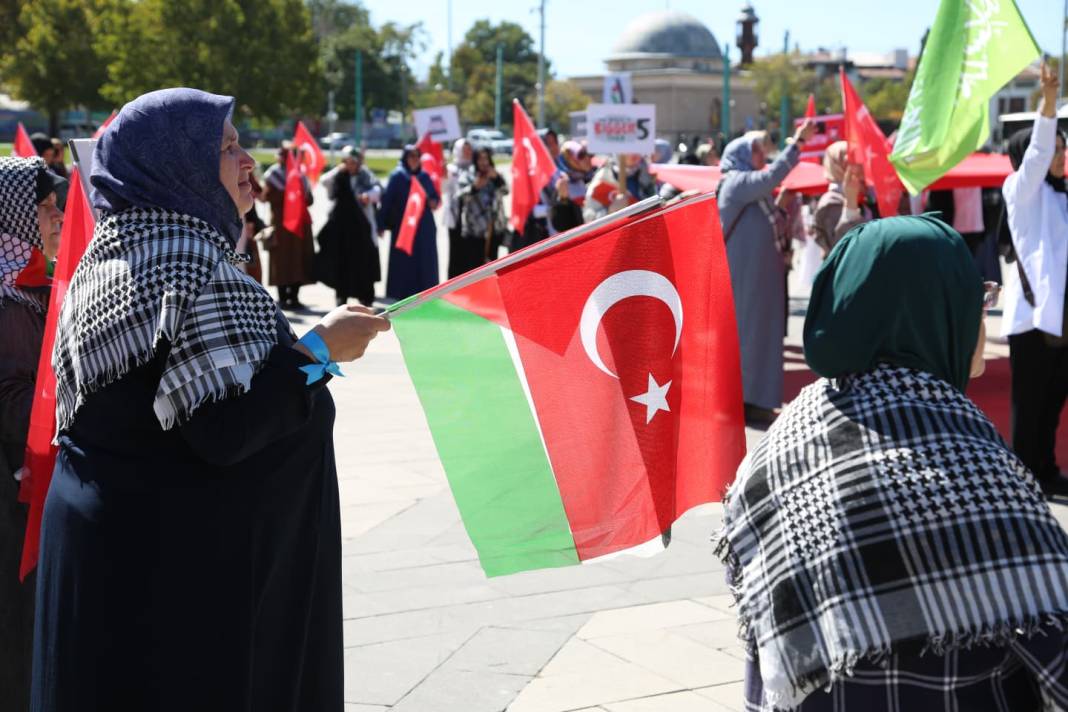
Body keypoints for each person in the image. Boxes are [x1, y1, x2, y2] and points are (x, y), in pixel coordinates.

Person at [31, 88, 391, 711]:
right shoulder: (192, 268)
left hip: (114, 564)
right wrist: (320, 353)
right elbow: (229, 428)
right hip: (180, 597)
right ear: (177, 169)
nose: (248, 159)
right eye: (225, 147)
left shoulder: (111, 253)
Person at [719, 214, 1068, 712]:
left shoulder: (781, 443)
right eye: (977, 298)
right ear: (932, 310)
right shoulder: (969, 463)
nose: (982, 313)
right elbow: (1055, 648)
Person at [0, 156, 64, 712]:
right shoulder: (9, 293)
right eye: (43, 207)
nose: (55, 215)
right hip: (13, 485)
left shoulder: (28, 278)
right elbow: (14, 395)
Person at [716, 121, 815, 424]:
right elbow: (772, 175)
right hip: (747, 281)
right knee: (749, 339)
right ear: (742, 155)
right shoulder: (736, 182)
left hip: (759, 281)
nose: (762, 155)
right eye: (756, 150)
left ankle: (758, 399)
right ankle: (745, 401)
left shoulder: (751, 189)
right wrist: (797, 143)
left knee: (762, 338)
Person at [1002, 61, 1068, 498]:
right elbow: (1038, 154)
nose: (1063, 155)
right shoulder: (1021, 189)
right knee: (1030, 405)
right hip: (1032, 321)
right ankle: (1024, 476)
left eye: (1065, 148)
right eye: (1060, 149)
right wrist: (1049, 103)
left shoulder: (1062, 196)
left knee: (1053, 403)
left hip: (1061, 319)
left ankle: (1045, 467)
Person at [316, 146, 382, 307]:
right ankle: (341, 296)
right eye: (348, 162)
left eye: (354, 162)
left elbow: (378, 190)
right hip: (342, 229)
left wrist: (368, 196)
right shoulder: (339, 176)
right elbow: (324, 181)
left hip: (362, 228)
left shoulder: (365, 175)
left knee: (364, 262)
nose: (351, 165)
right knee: (342, 262)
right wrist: (338, 169)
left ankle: (365, 297)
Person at [380, 145, 440, 300]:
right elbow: (386, 201)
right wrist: (380, 224)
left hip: (424, 228)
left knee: (424, 261)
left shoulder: (424, 176)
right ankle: (402, 296)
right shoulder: (397, 176)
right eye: (410, 156)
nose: (414, 160)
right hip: (404, 227)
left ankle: (426, 295)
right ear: (405, 158)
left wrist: (433, 201)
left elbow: (435, 197)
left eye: (416, 156)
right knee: (403, 263)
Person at [262, 141, 314, 309]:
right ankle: (284, 297)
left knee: (297, 259)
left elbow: (309, 200)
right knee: (282, 260)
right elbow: (268, 197)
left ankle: (294, 297)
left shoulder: (299, 176)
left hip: (297, 225)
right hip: (282, 225)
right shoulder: (276, 176)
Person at [451, 147, 508, 278]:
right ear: (475, 161)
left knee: (492, 267)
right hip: (474, 231)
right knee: (475, 270)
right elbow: (459, 197)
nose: (484, 162)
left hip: (494, 230)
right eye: (480, 159)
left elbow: (506, 190)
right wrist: (475, 187)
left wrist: (497, 178)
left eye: (486, 158)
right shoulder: (468, 176)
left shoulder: (495, 175)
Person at [811, 141, 868, 255]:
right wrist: (851, 204)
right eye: (848, 160)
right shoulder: (831, 202)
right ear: (836, 165)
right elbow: (841, 248)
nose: (858, 164)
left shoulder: (864, 194)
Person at [584, 154, 657, 223]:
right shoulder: (602, 178)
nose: (634, 152)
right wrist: (610, 212)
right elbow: (589, 219)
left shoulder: (647, 173)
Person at [444, 138, 473, 269]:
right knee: (455, 251)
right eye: (464, 149)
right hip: (455, 214)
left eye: (469, 149)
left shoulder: (474, 167)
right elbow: (444, 188)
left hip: (471, 216)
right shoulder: (450, 169)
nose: (467, 152)